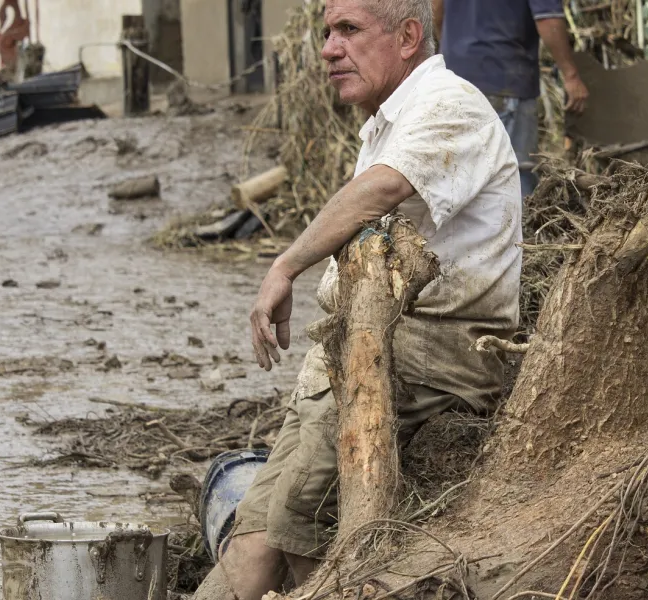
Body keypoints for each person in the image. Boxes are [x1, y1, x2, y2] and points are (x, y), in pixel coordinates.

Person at [194, 0, 521, 599]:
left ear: (407, 37)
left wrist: (286, 265)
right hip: (354, 348)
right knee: (255, 528)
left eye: (348, 30)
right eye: (326, 32)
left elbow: (381, 190)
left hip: (432, 351)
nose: (327, 49)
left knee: (300, 519)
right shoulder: (389, 120)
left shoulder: (450, 105)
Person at [432, 0, 589, 196]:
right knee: (513, 177)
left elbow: (435, 8)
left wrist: (452, 49)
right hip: (505, 78)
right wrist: (571, 75)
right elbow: (548, 19)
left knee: (458, 172)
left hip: (453, 80)